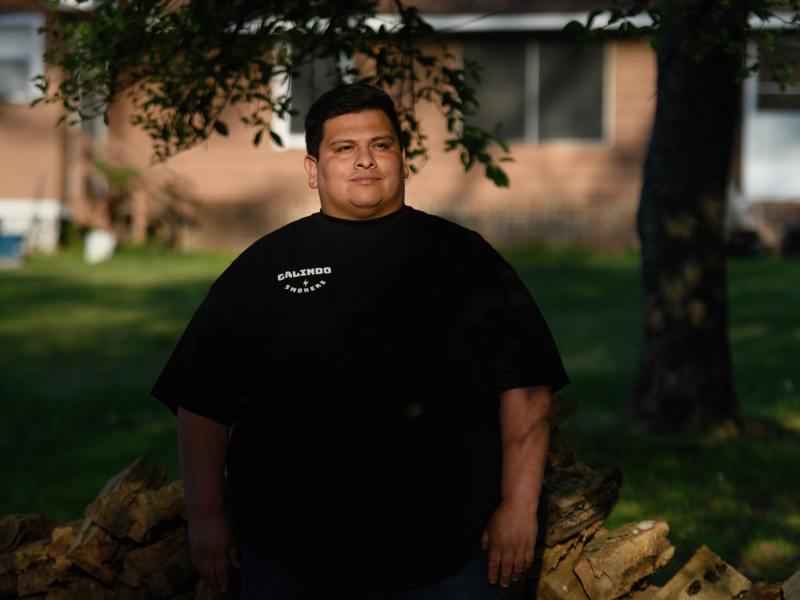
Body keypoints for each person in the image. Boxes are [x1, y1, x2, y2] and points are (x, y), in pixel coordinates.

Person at [151, 83, 569, 599]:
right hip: (289, 564)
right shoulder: (264, 268)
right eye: (344, 148)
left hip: (450, 563)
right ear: (313, 169)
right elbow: (202, 400)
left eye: (381, 145)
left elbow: (526, 386)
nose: (365, 161)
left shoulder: (466, 259)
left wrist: (518, 507)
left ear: (403, 160)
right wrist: (206, 516)